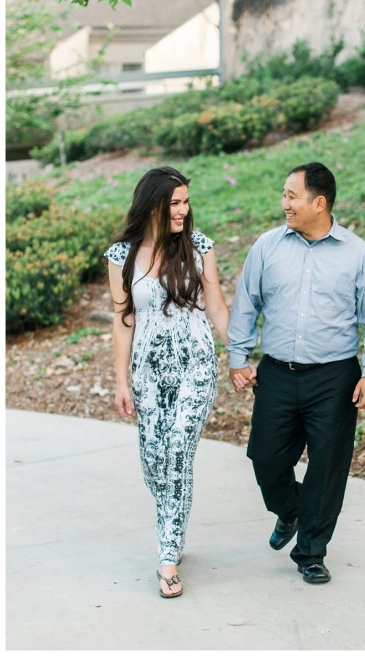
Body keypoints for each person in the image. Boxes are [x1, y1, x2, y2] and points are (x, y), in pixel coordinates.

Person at [227, 161, 365, 584]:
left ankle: (311, 552)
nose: (284, 203)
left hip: (334, 378)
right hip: (277, 375)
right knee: (265, 458)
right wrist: (238, 357)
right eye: (284, 195)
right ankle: (290, 510)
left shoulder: (358, 253)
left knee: (328, 465)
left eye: (291, 196)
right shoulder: (267, 246)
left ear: (319, 203)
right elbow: (246, 304)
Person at [104, 166, 232, 598]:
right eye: (175, 202)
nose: (184, 210)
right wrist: (121, 381)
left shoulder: (198, 248)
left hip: (195, 365)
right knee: (155, 462)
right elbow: (124, 320)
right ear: (153, 205)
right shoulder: (120, 255)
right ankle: (174, 524)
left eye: (186, 201)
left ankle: (168, 556)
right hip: (147, 372)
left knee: (177, 450)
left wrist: (239, 353)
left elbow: (215, 308)